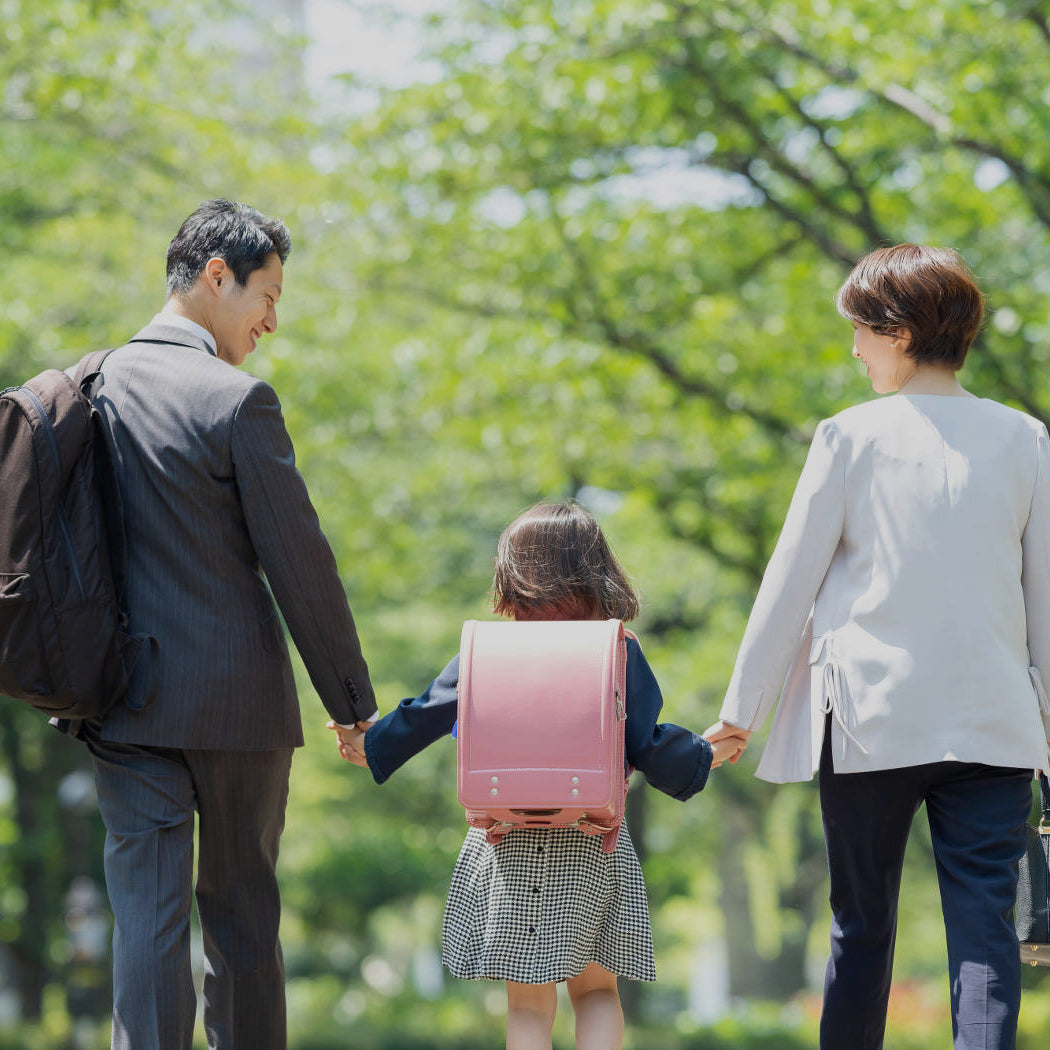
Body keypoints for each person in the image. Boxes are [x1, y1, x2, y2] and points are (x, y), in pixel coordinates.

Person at [704, 244, 1050, 1050]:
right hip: (995, 728)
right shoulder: (1025, 439)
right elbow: (1046, 601)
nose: (853, 349)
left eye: (859, 330)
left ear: (895, 331)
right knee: (985, 938)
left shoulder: (848, 437)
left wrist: (739, 712)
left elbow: (788, 585)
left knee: (860, 930)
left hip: (868, 723)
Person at [78, 199, 378, 1050]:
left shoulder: (86, 388)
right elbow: (301, 566)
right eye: (268, 296)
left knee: (146, 920)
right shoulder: (237, 400)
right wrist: (352, 701)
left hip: (122, 701)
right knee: (242, 917)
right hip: (237, 705)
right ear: (218, 276)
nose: (273, 322)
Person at [333, 501, 743, 1050]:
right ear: (599, 569)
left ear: (511, 574)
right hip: (593, 839)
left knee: (528, 1004)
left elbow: (426, 712)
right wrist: (705, 753)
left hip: (507, 840)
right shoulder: (616, 648)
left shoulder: (488, 648)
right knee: (597, 993)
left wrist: (371, 745)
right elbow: (646, 742)